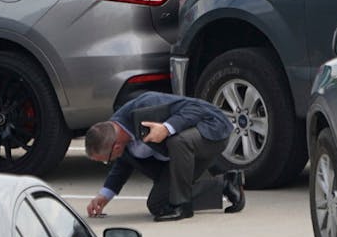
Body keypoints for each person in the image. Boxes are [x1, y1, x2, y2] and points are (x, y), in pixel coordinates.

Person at [85, 90, 244, 222]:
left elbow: (197, 108)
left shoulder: (145, 106)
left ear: (116, 146)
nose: (110, 161)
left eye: (107, 159)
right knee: (158, 205)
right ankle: (226, 184)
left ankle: (182, 206)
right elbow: (123, 166)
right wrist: (104, 196)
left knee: (177, 142)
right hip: (182, 156)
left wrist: (167, 128)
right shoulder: (118, 135)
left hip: (212, 130)